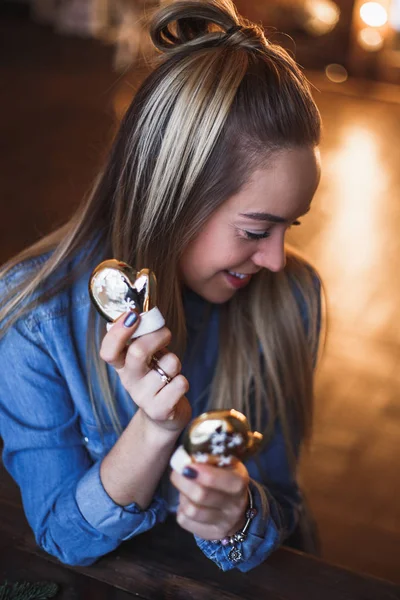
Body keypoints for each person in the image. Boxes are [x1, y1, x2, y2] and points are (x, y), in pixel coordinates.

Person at [0, 0, 323, 572]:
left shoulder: (291, 298)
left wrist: (240, 515)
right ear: (171, 200)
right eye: (255, 229)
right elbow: (61, 538)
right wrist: (154, 430)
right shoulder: (35, 321)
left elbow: (288, 508)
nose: (276, 259)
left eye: (288, 226)